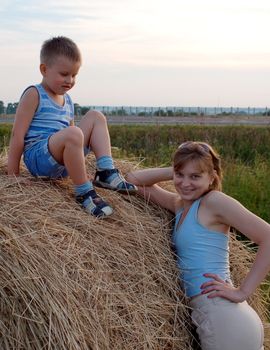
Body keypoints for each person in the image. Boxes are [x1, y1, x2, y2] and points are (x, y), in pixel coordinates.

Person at [126, 141, 270, 350]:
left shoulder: (214, 202)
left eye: (195, 176)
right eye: (180, 175)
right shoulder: (180, 205)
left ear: (211, 177)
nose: (185, 183)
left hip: (224, 319)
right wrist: (179, 167)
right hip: (215, 317)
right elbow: (132, 180)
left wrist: (242, 292)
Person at [7, 36, 137, 218]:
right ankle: (84, 192)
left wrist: (80, 164)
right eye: (64, 74)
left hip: (62, 161)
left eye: (74, 75)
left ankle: (105, 172)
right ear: (44, 69)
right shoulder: (34, 94)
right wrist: (13, 176)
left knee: (95, 116)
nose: (70, 80)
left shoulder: (67, 100)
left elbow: (74, 140)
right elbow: (17, 135)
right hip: (39, 158)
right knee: (74, 133)